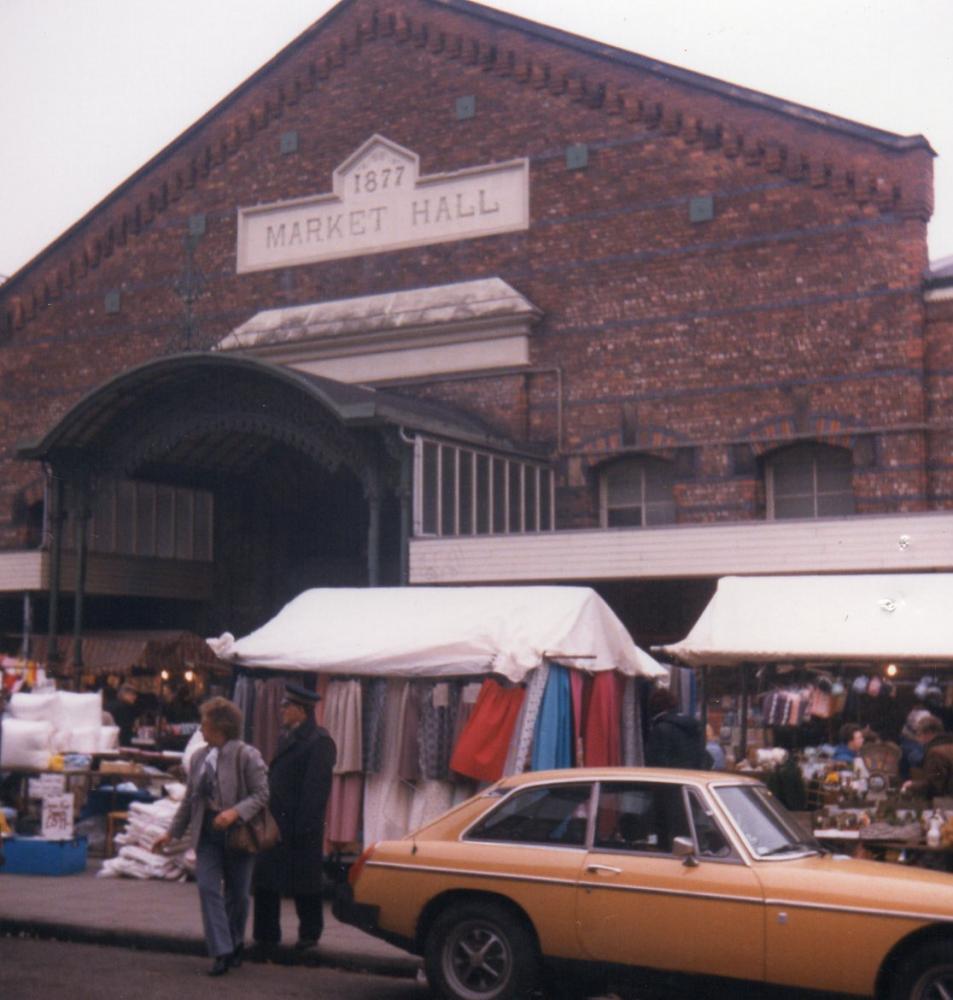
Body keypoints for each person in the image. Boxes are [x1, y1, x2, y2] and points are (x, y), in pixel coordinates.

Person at [153, 697, 268, 977]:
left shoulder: (247, 755)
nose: (201, 730)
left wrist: (235, 812)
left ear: (221, 727)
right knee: (207, 887)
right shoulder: (199, 757)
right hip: (207, 834)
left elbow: (262, 794)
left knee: (238, 895)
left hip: (238, 834)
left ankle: (236, 942)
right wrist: (171, 833)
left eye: (205, 725)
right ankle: (222, 950)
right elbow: (190, 801)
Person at [252, 682, 336, 955]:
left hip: (300, 826)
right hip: (277, 822)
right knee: (265, 880)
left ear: (301, 710)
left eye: (286, 706)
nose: (282, 710)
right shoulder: (288, 737)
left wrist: (301, 828)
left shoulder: (319, 742)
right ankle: (265, 937)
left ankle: (310, 935)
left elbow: (315, 792)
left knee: (305, 884)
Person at [644, 686, 712, 769]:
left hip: (672, 777)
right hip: (693, 776)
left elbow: (654, 762)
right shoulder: (692, 725)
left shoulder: (660, 730)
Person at [903, 715, 953, 799]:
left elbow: (935, 786)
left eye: (919, 734)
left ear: (928, 733)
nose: (918, 739)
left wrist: (911, 785)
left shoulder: (935, 753)